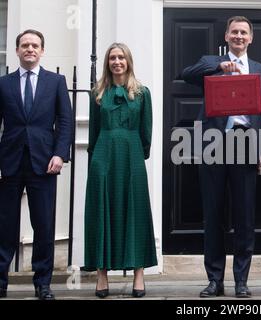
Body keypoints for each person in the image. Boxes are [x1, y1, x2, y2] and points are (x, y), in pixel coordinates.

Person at [181, 16, 261, 298]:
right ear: (226, 36)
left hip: (246, 142)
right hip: (213, 143)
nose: (239, 36)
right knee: (213, 214)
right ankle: (214, 280)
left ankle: (242, 281)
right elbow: (186, 73)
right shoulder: (210, 63)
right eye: (234, 32)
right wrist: (218, 65)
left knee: (245, 216)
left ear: (251, 38)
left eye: (243, 32)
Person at [0, 29, 73, 300]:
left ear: (42, 50)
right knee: (5, 224)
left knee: (43, 224)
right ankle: (1, 281)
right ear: (17, 50)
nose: (30, 49)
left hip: (45, 163)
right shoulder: (3, 83)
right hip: (9, 162)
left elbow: (64, 121)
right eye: (25, 45)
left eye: (35, 45)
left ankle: (43, 283)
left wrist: (59, 154)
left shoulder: (55, 81)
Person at [84, 43, 157, 298]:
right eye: (113, 58)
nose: (117, 62)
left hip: (133, 155)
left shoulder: (143, 93)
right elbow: (93, 132)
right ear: (107, 62)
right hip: (103, 155)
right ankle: (102, 275)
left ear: (128, 61)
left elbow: (146, 133)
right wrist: (96, 160)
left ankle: (139, 274)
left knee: (135, 210)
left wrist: (137, 154)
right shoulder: (98, 93)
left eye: (121, 57)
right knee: (103, 211)